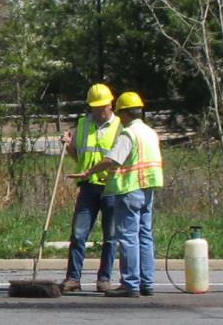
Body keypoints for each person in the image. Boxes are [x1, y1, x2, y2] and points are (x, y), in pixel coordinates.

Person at [68, 92, 162, 298]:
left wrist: (89, 171)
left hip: (130, 188)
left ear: (123, 112)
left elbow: (113, 160)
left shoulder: (129, 134)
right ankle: (147, 282)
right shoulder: (149, 132)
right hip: (148, 188)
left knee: (128, 237)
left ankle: (130, 284)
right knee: (144, 235)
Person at [60, 83, 120, 293]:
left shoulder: (120, 126)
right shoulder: (83, 124)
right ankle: (73, 278)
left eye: (101, 106)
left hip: (111, 186)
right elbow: (78, 154)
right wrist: (67, 145)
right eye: (94, 106)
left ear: (110, 104)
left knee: (110, 237)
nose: (98, 110)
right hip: (88, 186)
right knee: (78, 234)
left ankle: (104, 279)